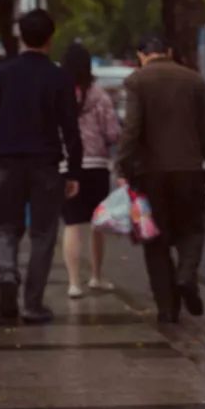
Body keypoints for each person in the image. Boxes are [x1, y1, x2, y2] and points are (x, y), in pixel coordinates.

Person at [0, 10, 82, 323]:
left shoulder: (2, 73)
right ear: (50, 38)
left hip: (7, 161)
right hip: (46, 164)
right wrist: (74, 171)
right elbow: (70, 127)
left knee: (5, 227)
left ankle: (7, 272)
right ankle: (33, 305)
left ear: (21, 37)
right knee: (43, 234)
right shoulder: (59, 77)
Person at [115, 35, 205, 324]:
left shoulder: (137, 81)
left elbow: (132, 128)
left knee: (156, 240)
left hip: (150, 173)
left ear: (142, 55)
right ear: (169, 51)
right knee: (192, 229)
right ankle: (186, 274)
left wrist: (122, 166)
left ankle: (167, 308)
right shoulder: (193, 80)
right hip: (189, 170)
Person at [60, 42, 121, 299]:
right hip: (96, 166)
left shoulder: (57, 94)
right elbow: (113, 132)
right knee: (98, 223)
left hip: (65, 166)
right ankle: (96, 276)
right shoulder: (100, 96)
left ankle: (74, 283)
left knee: (72, 224)